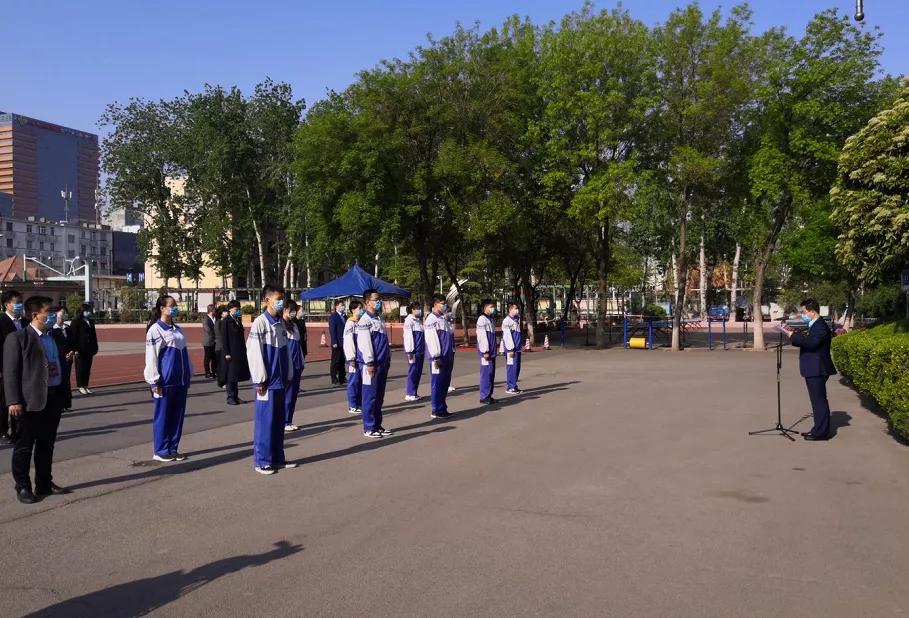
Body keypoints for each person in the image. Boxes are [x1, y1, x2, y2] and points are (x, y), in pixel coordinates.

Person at [4, 296, 71, 504]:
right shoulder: (18, 339)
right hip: (29, 401)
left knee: (47, 444)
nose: (52, 315)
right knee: (24, 446)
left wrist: (64, 395)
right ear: (35, 315)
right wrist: (13, 401)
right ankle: (22, 486)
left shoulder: (54, 338)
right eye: (48, 312)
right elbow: (11, 372)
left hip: (52, 399)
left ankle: (44, 482)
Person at [246, 285, 296, 474]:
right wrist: (260, 379)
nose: (281, 302)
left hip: (281, 381)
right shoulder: (260, 323)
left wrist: (289, 373)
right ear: (267, 300)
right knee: (265, 422)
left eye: (282, 298)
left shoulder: (281, 323)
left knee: (278, 422)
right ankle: (262, 461)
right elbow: (253, 353)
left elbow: (286, 352)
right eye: (278, 299)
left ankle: (277, 458)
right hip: (267, 383)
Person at [144, 296, 193, 462]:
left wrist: (188, 373)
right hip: (165, 381)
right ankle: (160, 450)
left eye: (175, 305)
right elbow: (151, 357)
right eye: (171, 305)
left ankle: (173, 448)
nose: (175, 308)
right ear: (162, 308)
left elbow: (185, 353)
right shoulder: (155, 330)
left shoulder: (177, 329)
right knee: (163, 416)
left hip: (180, 381)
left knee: (177, 417)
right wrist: (154, 380)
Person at [782, 299, 838, 441]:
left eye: (804, 312)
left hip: (817, 369)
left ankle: (821, 433)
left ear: (813, 312)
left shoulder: (820, 326)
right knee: (816, 401)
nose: (803, 314)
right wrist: (793, 333)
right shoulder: (814, 325)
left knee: (819, 401)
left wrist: (792, 336)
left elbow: (811, 344)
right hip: (813, 368)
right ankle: (817, 429)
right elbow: (808, 340)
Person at [357, 289, 393, 438]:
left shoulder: (378, 319)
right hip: (370, 365)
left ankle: (377, 424)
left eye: (379, 299)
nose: (379, 302)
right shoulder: (365, 320)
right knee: (370, 397)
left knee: (379, 397)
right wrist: (370, 362)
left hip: (381, 363)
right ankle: (369, 427)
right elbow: (365, 344)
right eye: (375, 299)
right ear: (367, 302)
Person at [0, 289, 27, 443]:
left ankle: (18, 430)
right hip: (5, 369)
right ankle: (3, 430)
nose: (19, 305)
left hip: (23, 368)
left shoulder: (24, 322)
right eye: (16, 303)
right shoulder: (1, 321)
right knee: (4, 401)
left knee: (19, 400)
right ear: (7, 304)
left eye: (20, 302)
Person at [424, 294, 455, 419]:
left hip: (447, 356)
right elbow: (432, 340)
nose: (444, 305)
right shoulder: (431, 319)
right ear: (435, 304)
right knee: (437, 383)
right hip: (438, 358)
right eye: (442, 303)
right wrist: (436, 356)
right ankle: (436, 409)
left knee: (444, 383)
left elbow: (449, 336)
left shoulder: (442, 319)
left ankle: (442, 407)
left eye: (444, 303)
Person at [221, 300, 251, 406]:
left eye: (238, 308)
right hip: (230, 352)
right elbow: (224, 338)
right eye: (235, 308)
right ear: (230, 309)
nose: (237, 310)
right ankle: (230, 397)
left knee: (236, 376)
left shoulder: (237, 320)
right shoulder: (226, 321)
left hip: (239, 351)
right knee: (231, 376)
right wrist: (226, 353)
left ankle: (236, 396)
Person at [283, 299, 305, 432]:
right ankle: (285, 421)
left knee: (293, 395)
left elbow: (298, 345)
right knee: (288, 394)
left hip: (297, 364)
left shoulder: (294, 325)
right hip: (288, 365)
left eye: (294, 311)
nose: (293, 313)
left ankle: (288, 419)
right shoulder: (281, 325)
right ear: (285, 310)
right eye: (291, 311)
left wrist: (302, 362)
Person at [70, 303, 99, 395]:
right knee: (80, 368)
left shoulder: (90, 321)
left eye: (89, 311)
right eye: (87, 311)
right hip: (80, 349)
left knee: (87, 368)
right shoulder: (76, 321)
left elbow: (94, 335)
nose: (88, 312)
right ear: (82, 311)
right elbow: (73, 336)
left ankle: (86, 386)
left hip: (89, 349)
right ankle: (80, 386)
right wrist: (75, 349)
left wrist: (95, 347)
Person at [51, 310, 75, 412]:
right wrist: (62, 355)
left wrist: (72, 351)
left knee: (66, 380)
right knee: (59, 381)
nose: (62, 318)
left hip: (68, 358)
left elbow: (73, 341)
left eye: (63, 316)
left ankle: (66, 403)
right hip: (58, 358)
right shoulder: (52, 330)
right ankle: (59, 404)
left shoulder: (67, 328)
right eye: (60, 316)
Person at [343, 300, 364, 415]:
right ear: (352, 310)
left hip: (361, 357)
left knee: (360, 381)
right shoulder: (350, 324)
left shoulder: (360, 322)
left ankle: (359, 403)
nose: (361, 310)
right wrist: (351, 358)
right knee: (353, 381)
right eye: (359, 308)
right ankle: (352, 405)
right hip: (354, 358)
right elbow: (348, 342)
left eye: (361, 307)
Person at [476, 300, 498, 405]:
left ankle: (488, 395)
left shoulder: (490, 319)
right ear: (485, 307)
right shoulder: (482, 319)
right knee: (486, 374)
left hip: (492, 352)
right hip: (486, 353)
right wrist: (485, 351)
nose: (493, 308)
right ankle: (484, 396)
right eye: (491, 306)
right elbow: (482, 336)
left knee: (491, 374)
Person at [402, 301, 425, 401]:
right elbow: (408, 337)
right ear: (412, 309)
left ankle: (414, 392)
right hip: (413, 351)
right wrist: (410, 351)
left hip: (420, 350)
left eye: (419, 308)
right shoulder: (409, 320)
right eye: (417, 308)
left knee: (418, 372)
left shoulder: (418, 321)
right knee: (413, 371)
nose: (419, 310)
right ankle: (410, 393)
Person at [502, 302, 523, 394]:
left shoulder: (516, 319)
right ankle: (510, 387)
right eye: (515, 308)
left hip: (517, 348)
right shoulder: (507, 321)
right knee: (512, 367)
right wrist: (510, 349)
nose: (517, 310)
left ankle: (514, 385)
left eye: (517, 308)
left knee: (517, 367)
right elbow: (507, 336)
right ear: (510, 310)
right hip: (511, 349)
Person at [328, 299, 347, 386]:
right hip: (337, 343)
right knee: (335, 361)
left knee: (342, 360)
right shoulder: (333, 316)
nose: (343, 307)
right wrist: (334, 342)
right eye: (341, 305)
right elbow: (332, 330)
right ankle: (334, 378)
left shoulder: (344, 316)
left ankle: (342, 377)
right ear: (336, 306)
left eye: (343, 305)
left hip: (344, 342)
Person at [201, 304, 218, 379]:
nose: (216, 311)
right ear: (211, 310)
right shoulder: (205, 318)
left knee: (215, 357)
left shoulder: (216, 318)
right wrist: (217, 334)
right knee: (208, 358)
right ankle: (207, 372)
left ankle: (214, 372)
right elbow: (207, 329)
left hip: (216, 341)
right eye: (215, 310)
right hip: (208, 341)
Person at [213, 305, 226, 388]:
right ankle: (221, 382)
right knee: (221, 366)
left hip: (223, 347)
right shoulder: (219, 323)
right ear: (221, 314)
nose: (227, 313)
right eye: (225, 311)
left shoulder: (223, 322)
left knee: (224, 366)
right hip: (220, 347)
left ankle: (224, 381)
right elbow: (220, 335)